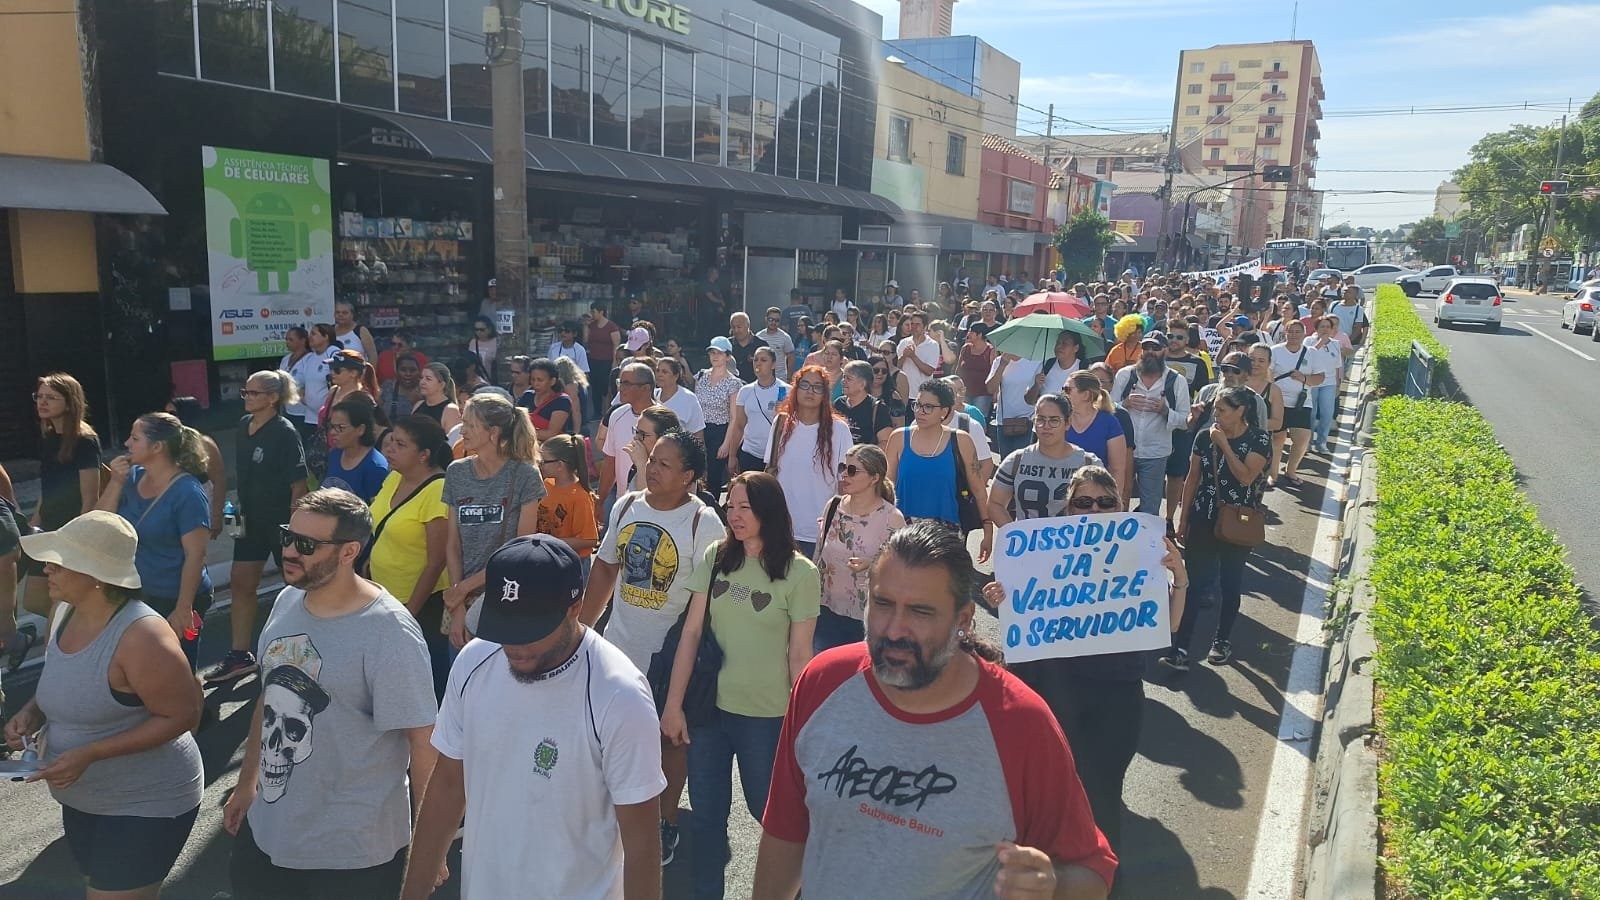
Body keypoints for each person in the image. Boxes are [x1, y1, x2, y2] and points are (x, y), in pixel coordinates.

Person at [751, 521, 1118, 900]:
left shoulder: (1022, 724)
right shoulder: (823, 681)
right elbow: (786, 828)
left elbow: (1092, 873)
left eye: (920, 612)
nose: (894, 630)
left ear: (963, 620)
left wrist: (1051, 886)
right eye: (883, 604)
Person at [402, 534, 664, 900]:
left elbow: (642, 846)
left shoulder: (619, 695)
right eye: (503, 626)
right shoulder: (474, 661)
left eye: (530, 630)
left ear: (575, 607)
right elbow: (448, 785)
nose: (514, 646)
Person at [222, 489, 440, 898]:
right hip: (269, 833)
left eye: (306, 545)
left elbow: (422, 742)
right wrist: (247, 782)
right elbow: (267, 698)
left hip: (351, 854)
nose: (289, 551)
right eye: (288, 536)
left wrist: (430, 849)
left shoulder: (389, 631)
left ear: (348, 552)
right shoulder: (287, 601)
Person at [987, 452, 1187, 857]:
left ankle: (1100, 876)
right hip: (1052, 692)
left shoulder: (1139, 551)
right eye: (1083, 502)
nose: (1094, 509)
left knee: (1102, 794)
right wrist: (1002, 599)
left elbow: (1168, 626)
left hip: (1116, 696)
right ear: (1068, 507)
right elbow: (1022, 620)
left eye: (1105, 502)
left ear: (1119, 504)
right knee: (1050, 790)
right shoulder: (1037, 553)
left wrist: (1179, 579)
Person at [5, 511, 203, 899]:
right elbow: (66, 679)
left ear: (94, 576)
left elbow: (184, 714)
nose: (47, 569)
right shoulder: (62, 613)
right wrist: (32, 711)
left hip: (147, 802)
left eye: (59, 562)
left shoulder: (142, 635)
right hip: (85, 801)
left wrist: (91, 753)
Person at [662, 472, 818, 900]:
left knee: (771, 815)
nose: (734, 515)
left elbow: (800, 657)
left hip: (767, 718)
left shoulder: (801, 573)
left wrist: (801, 725)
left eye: (744, 507)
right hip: (709, 712)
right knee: (708, 819)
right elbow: (691, 635)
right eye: (730, 506)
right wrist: (673, 705)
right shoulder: (715, 557)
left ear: (769, 510)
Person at [1161, 386, 1271, 672]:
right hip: (1203, 517)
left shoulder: (1258, 439)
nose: (1216, 416)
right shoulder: (1203, 436)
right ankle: (1181, 648)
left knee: (1230, 583)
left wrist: (1223, 444)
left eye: (1222, 410)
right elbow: (1192, 478)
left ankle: (1222, 640)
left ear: (1240, 411)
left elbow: (1246, 477)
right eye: (1215, 411)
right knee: (1195, 583)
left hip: (1238, 522)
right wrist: (1183, 519)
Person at [208, 371, 308, 685]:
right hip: (248, 518)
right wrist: (229, 513)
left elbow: (299, 484)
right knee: (240, 581)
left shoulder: (284, 432)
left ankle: (301, 654)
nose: (247, 397)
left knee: (296, 587)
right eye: (245, 392)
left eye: (253, 393)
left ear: (272, 398)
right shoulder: (242, 426)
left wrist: (295, 525)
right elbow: (243, 476)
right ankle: (240, 655)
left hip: (280, 521)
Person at [97, 412, 215, 667]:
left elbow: (196, 555)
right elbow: (99, 523)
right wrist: (116, 482)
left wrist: (184, 608)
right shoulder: (133, 477)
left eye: (135, 438)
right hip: (140, 593)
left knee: (180, 663)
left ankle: (191, 706)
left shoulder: (188, 493)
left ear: (157, 447)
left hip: (180, 598)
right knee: (145, 665)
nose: (127, 444)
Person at [443, 394, 545, 648]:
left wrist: (463, 588)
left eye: (469, 425)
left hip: (505, 599)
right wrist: (457, 608)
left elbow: (521, 551)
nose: (462, 431)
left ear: (493, 432)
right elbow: (453, 545)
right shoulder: (456, 472)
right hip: (460, 602)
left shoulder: (525, 475)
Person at [370, 415, 454, 700]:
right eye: (390, 441)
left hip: (421, 605)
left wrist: (409, 612)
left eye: (400, 444)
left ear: (423, 455)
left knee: (427, 681)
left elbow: (437, 561)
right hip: (385, 597)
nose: (389, 449)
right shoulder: (394, 477)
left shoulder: (438, 490)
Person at [27, 373, 103, 623]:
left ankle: (69, 645)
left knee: (61, 602)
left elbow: (90, 498)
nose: (42, 402)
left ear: (70, 403)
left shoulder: (85, 441)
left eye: (51, 397)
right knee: (34, 599)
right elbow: (49, 484)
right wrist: (36, 517)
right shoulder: (48, 436)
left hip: (70, 530)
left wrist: (79, 540)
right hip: (48, 528)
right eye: (39, 396)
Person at [812, 444, 903, 653]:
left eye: (852, 470)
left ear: (874, 477)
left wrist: (872, 565)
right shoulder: (833, 506)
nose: (844, 475)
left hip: (866, 616)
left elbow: (901, 570)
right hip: (824, 609)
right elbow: (819, 553)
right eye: (843, 467)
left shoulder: (891, 518)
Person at [764, 366, 854, 558]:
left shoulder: (839, 430)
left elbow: (845, 483)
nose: (810, 391)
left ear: (825, 393)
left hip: (820, 530)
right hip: (781, 528)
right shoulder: (781, 424)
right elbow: (770, 472)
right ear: (795, 389)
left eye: (817, 387)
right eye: (804, 385)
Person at [883, 380, 986, 540]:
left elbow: (978, 490)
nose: (920, 411)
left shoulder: (961, 440)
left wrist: (987, 529)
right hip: (903, 530)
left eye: (928, 407)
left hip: (947, 532)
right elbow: (887, 488)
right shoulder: (898, 438)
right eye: (917, 404)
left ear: (944, 411)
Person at [1111, 334, 1190, 517]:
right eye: (1146, 348)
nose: (1150, 353)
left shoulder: (1177, 381)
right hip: (1123, 451)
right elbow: (1109, 409)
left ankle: (1147, 543)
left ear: (1165, 350)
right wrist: (1125, 404)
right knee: (1118, 501)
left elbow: (1185, 421)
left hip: (1155, 452)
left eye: (1155, 348)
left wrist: (1165, 411)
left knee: (1150, 507)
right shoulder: (1125, 375)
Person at [1269, 320, 1332, 487]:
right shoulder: (1275, 351)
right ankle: (1273, 474)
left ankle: (1291, 470)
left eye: (1298, 332)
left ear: (1304, 334)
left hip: (1301, 402)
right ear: (1285, 333)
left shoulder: (1311, 353)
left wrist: (1303, 378)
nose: (1294, 335)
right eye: (1291, 331)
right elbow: (1268, 374)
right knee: (1277, 438)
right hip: (1278, 401)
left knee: (1302, 439)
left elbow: (1320, 377)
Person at [597, 361, 657, 518]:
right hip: (622, 504)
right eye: (620, 382)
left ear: (646, 388)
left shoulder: (665, 419)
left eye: (626, 383)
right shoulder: (616, 416)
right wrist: (600, 500)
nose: (620, 388)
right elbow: (610, 462)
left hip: (654, 506)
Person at [1065, 371, 1132, 508]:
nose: (1063, 393)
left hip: (1096, 500)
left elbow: (1117, 469)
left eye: (1067, 389)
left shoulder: (1109, 422)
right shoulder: (1060, 420)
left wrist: (1113, 505)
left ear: (1086, 395)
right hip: (1063, 493)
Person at [536, 434, 599, 570]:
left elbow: (589, 540)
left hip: (572, 563)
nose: (540, 465)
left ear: (560, 465)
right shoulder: (546, 484)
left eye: (543, 461)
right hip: (549, 558)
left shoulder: (580, 496)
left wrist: (548, 542)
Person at [724, 346, 786, 476]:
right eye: (755, 360)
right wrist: (732, 456)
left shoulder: (786, 390)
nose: (758, 363)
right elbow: (739, 426)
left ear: (773, 364)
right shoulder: (745, 391)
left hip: (777, 456)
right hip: (750, 454)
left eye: (763, 360)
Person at [696, 337, 743, 499]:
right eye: (712, 352)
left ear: (728, 356)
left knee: (714, 478)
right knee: (697, 473)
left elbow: (734, 417)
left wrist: (726, 444)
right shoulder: (701, 376)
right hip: (700, 429)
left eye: (720, 353)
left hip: (719, 431)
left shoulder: (733, 383)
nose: (715, 356)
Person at [323, 395, 391, 503]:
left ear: (360, 429)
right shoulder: (335, 454)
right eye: (331, 426)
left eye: (341, 427)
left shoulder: (375, 467)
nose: (332, 432)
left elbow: (376, 511)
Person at [1309, 315, 1353, 455]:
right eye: (1322, 327)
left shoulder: (1335, 343)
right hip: (1312, 381)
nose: (1325, 329)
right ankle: (1308, 442)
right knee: (1311, 413)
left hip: (1329, 383)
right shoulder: (1308, 341)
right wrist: (1320, 343)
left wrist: (1338, 383)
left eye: (1328, 327)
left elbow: (1337, 366)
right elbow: (1307, 358)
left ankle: (1321, 443)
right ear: (1316, 328)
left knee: (1327, 414)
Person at [833, 360, 894, 447]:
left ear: (862, 384)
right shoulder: (838, 404)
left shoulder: (878, 408)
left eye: (848, 378)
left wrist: (864, 458)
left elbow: (885, 442)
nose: (843, 381)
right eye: (843, 377)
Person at [280, 327, 327, 440]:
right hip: (288, 410)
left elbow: (313, 382)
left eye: (291, 340)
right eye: (286, 339)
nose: (287, 342)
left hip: (304, 413)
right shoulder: (285, 359)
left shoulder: (310, 359)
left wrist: (305, 398)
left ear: (302, 341)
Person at [623, 405, 682, 492]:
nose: (636, 438)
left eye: (643, 434)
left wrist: (642, 465)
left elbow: (648, 502)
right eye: (636, 432)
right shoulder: (636, 467)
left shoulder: (676, 473)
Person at [1025, 331, 1087, 406]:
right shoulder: (1046, 365)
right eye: (1058, 342)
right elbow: (1029, 400)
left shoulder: (1084, 369)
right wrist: (1036, 386)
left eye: (1065, 343)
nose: (1059, 346)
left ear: (1076, 348)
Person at [655, 357, 707, 439]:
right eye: (657, 371)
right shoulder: (651, 395)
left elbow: (698, 433)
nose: (659, 375)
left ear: (676, 376)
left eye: (664, 372)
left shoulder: (689, 399)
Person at [894, 309, 944, 396]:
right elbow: (896, 367)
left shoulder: (933, 345)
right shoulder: (903, 342)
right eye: (912, 324)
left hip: (922, 394)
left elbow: (929, 371)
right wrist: (904, 356)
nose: (914, 327)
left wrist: (913, 356)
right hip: (903, 393)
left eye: (918, 324)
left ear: (925, 327)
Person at [524, 358, 575, 441]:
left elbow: (551, 434)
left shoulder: (562, 401)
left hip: (551, 450)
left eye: (540, 380)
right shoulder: (527, 396)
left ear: (552, 381)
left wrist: (522, 432)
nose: (535, 384)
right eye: (533, 379)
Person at [587, 303, 624, 414]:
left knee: (605, 387)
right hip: (594, 359)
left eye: (594, 312)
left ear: (601, 312)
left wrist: (614, 361)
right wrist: (585, 325)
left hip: (607, 360)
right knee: (595, 386)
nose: (592, 314)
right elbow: (586, 340)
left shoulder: (611, 326)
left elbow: (616, 345)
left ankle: (607, 410)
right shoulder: (592, 326)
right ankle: (597, 411)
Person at [956, 322, 996, 420]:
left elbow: (994, 372)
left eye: (971, 332)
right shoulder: (965, 348)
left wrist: (995, 393)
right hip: (964, 392)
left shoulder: (991, 351)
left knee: (978, 420)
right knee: (962, 420)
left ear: (980, 335)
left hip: (983, 393)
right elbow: (958, 369)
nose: (968, 334)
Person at [412, 361, 462, 431]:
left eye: (428, 379)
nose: (422, 382)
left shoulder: (450, 410)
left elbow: (453, 440)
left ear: (441, 384)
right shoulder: (418, 404)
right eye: (421, 378)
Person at [379, 352, 424, 425]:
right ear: (396, 371)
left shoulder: (425, 389)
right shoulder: (387, 387)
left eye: (412, 370)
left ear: (419, 372)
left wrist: (417, 403)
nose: (408, 374)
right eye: (403, 370)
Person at [552, 356, 590, 436]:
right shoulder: (578, 384)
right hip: (581, 425)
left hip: (573, 427)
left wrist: (576, 433)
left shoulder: (571, 386)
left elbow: (576, 410)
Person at [333, 298, 379, 363]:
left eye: (345, 313)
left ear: (352, 315)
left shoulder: (361, 331)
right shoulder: (330, 331)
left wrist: (370, 372)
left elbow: (373, 356)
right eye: (337, 312)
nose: (340, 315)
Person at [758, 307, 797, 380]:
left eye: (777, 320)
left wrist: (789, 377)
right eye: (771, 319)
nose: (773, 322)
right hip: (762, 378)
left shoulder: (785, 337)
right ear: (766, 319)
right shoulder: (759, 336)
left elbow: (791, 358)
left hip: (780, 378)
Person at [726, 312, 762, 382]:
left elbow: (767, 370)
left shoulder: (760, 345)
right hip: (730, 388)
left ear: (748, 325)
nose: (736, 330)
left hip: (754, 387)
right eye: (733, 327)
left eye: (739, 327)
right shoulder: (726, 345)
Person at [468, 315, 499, 385]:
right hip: (475, 381)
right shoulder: (473, 342)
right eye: (476, 329)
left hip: (490, 381)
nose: (479, 332)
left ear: (489, 329)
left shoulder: (496, 342)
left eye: (482, 330)